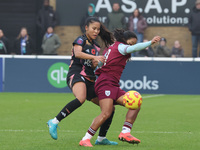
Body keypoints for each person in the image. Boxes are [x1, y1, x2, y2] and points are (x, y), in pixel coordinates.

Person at [79, 29, 160, 147]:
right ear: (124, 40)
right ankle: (85, 139)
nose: (131, 46)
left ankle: (125, 132)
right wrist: (150, 43)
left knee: (136, 103)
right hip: (105, 83)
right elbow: (134, 48)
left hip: (113, 85)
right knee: (106, 112)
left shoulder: (111, 48)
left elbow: (101, 63)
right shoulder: (121, 47)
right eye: (131, 43)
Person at [47, 17, 118, 145]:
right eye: (93, 28)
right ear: (86, 28)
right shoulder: (80, 40)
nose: (96, 31)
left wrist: (97, 63)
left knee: (110, 108)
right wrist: (95, 57)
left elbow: (92, 65)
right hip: (76, 73)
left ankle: (101, 138)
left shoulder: (96, 46)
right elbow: (78, 54)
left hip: (90, 79)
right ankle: (54, 121)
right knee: (81, 98)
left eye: (98, 29)